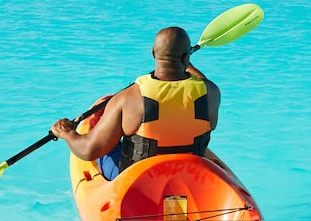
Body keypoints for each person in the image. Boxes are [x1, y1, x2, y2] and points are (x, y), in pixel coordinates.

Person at [51, 26, 220, 180]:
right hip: (191, 176)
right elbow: (200, 81)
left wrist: (67, 133)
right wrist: (185, 59)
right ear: (186, 57)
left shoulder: (128, 98)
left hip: (138, 182)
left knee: (100, 128)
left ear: (153, 53)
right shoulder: (211, 93)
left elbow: (88, 151)